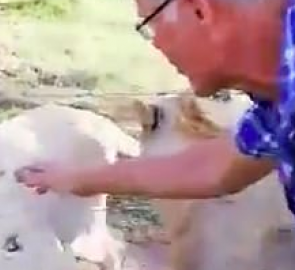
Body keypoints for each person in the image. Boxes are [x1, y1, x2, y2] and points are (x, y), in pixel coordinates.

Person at [15, 0, 295, 217]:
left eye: (153, 24)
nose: (157, 43)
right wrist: (76, 180)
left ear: (201, 10)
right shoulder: (277, 101)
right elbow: (212, 167)